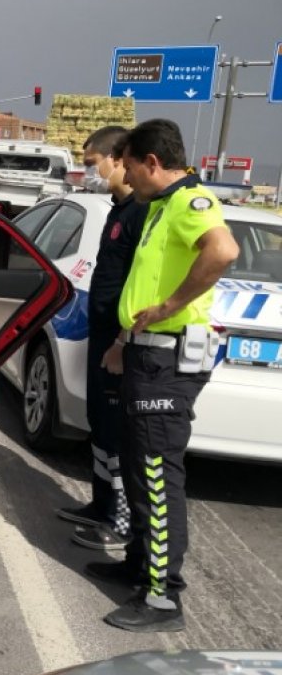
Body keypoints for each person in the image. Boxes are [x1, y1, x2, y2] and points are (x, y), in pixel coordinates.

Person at [91, 118, 239, 632]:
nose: (127, 177)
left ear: (153, 162)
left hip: (168, 361)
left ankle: (161, 597)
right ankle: (139, 565)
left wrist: (171, 306)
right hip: (144, 353)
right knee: (138, 466)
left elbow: (222, 252)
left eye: (131, 166)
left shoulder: (190, 203)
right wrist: (123, 340)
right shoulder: (158, 207)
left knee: (156, 476)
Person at [56, 125, 144, 552]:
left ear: (118, 157)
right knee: (99, 426)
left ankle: (120, 519)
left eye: (92, 164)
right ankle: (101, 503)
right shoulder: (117, 209)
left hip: (120, 342)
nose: (89, 173)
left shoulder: (142, 213)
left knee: (115, 433)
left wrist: (123, 341)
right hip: (103, 335)